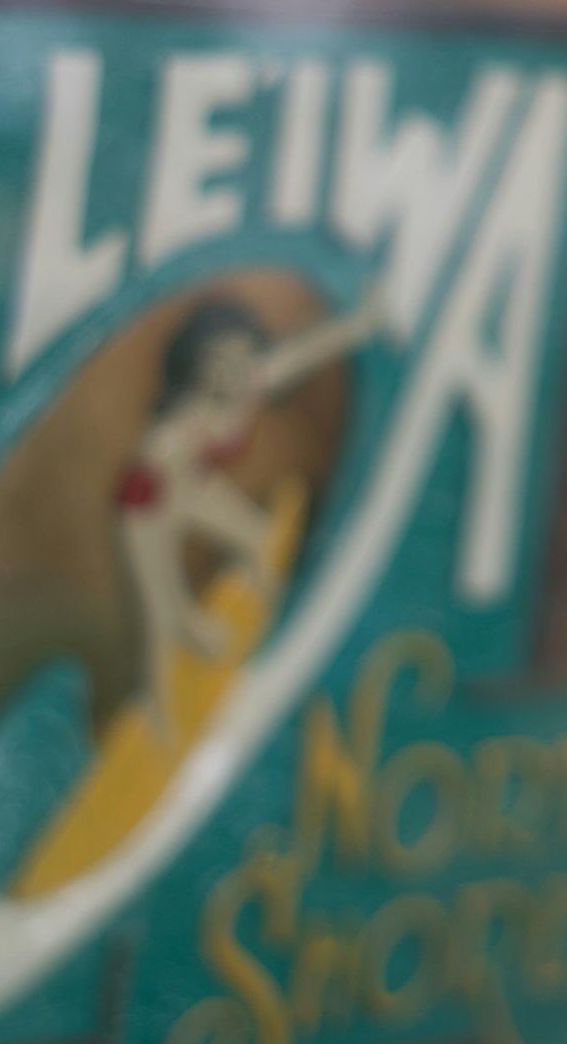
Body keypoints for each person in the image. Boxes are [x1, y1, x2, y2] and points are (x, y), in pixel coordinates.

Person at [113, 291, 378, 729]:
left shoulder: (250, 382)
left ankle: (267, 646)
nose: (233, 371)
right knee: (159, 619)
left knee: (261, 539)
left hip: (190, 485)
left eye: (241, 357)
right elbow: (161, 579)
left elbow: (301, 354)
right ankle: (159, 719)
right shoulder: (171, 436)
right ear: (196, 365)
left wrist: (357, 325)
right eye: (219, 361)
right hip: (146, 506)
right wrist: (189, 621)